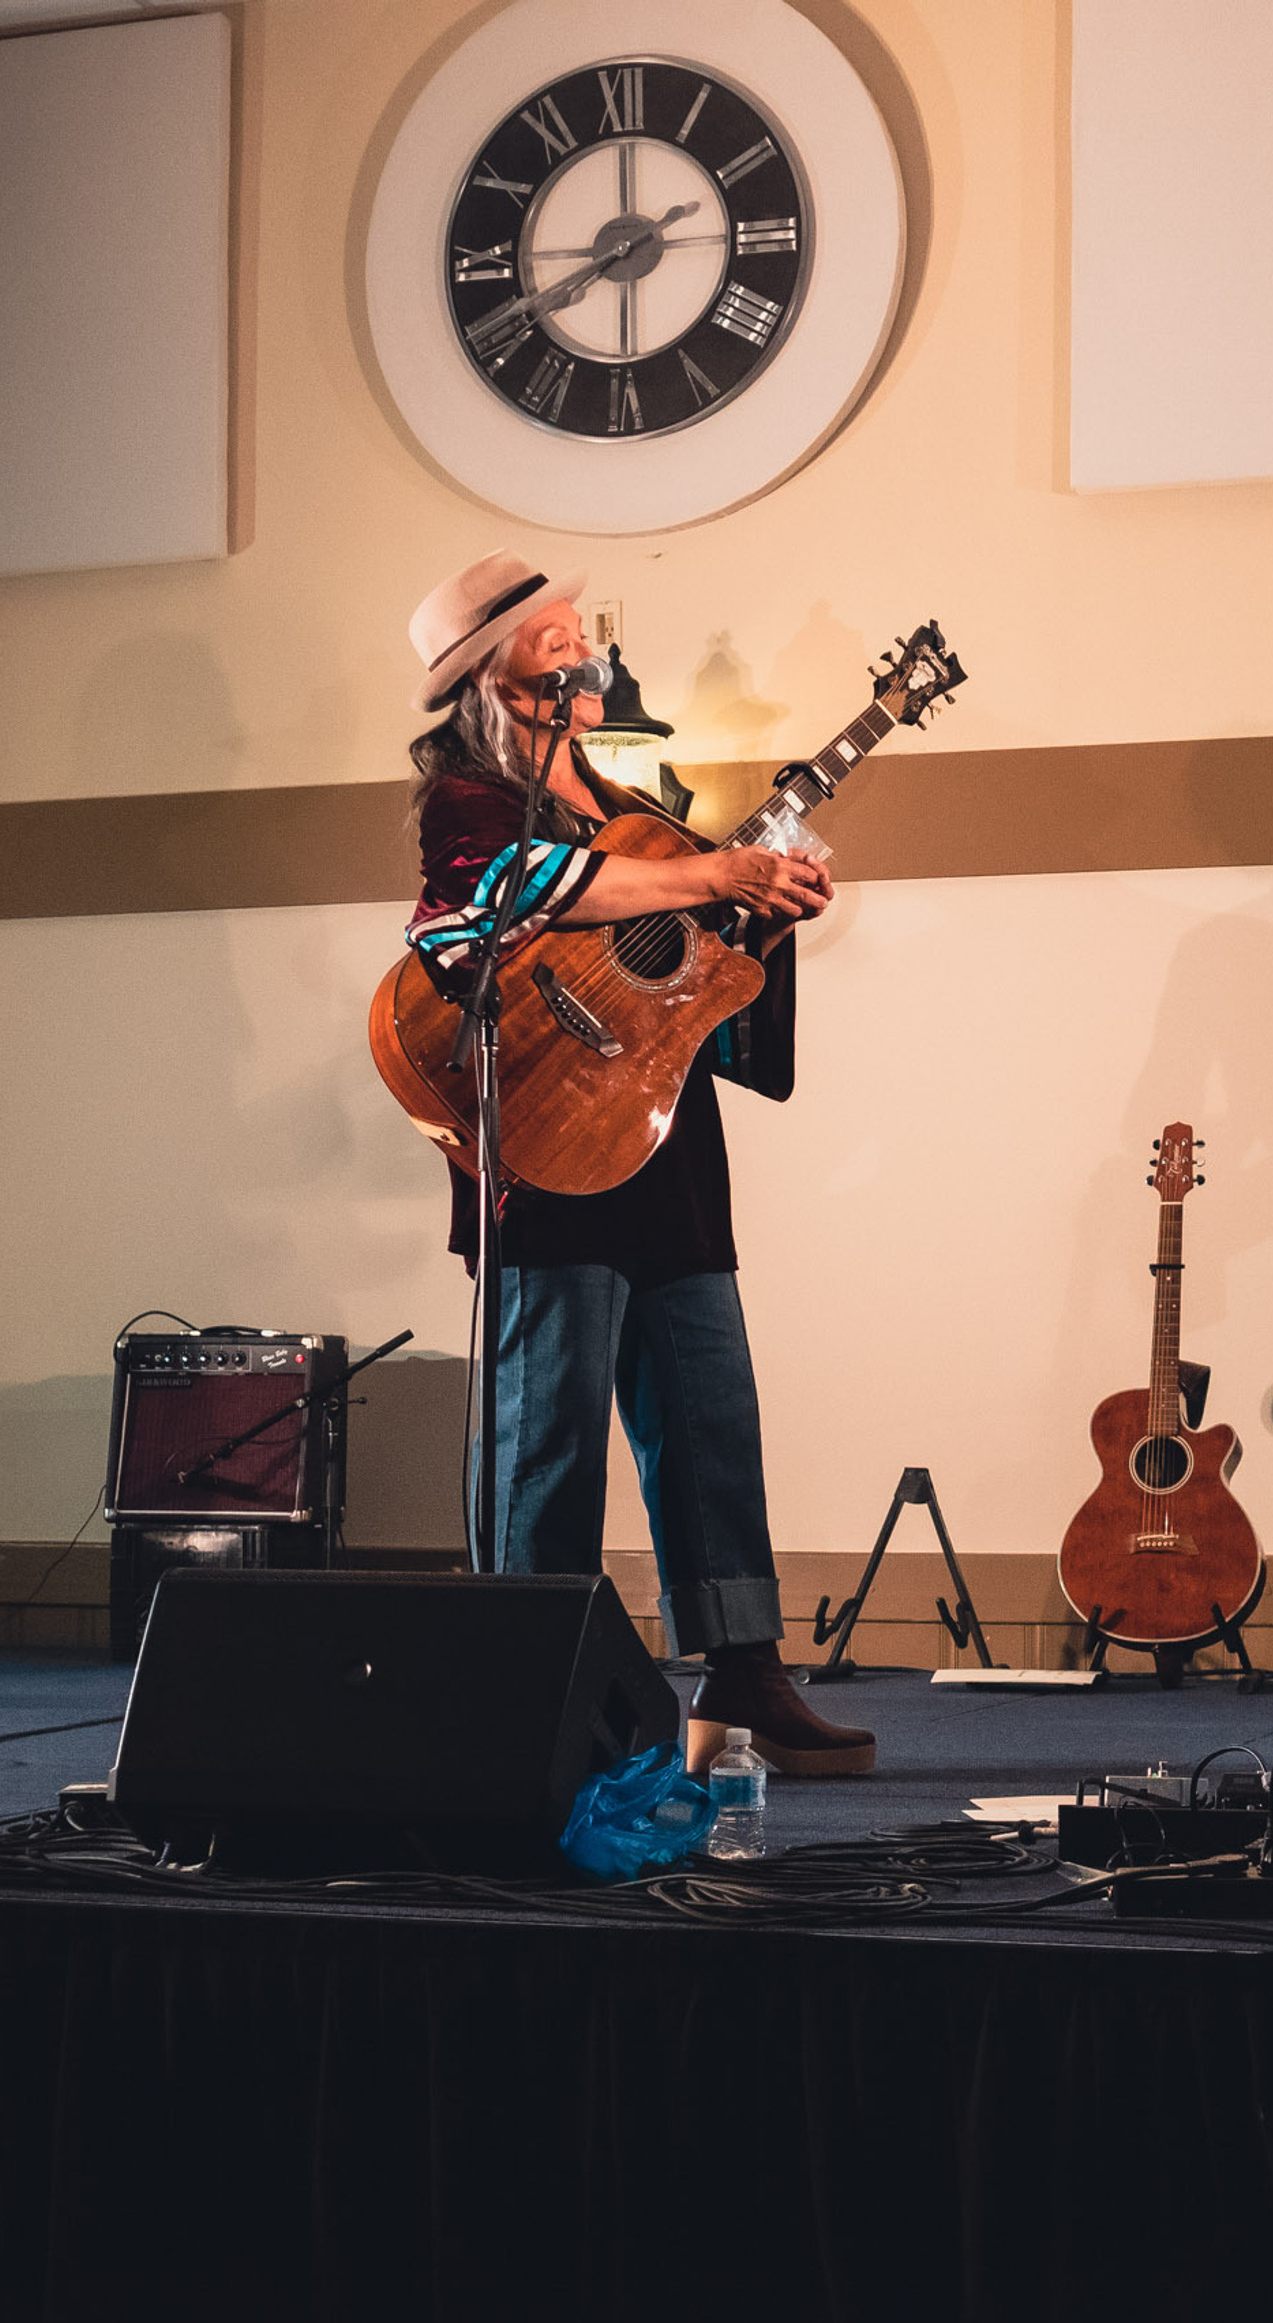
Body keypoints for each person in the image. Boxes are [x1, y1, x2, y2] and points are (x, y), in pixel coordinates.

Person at [403, 549, 876, 1777]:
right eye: (549, 632)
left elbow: (696, 983)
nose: (578, 642)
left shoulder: (633, 806)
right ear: (494, 672)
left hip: (664, 1155)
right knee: (547, 1440)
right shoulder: (469, 798)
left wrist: (759, 920)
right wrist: (716, 868)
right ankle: (526, 1679)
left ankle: (743, 1668)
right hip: (551, 1159)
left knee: (714, 1421)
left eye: (576, 628)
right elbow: (501, 900)